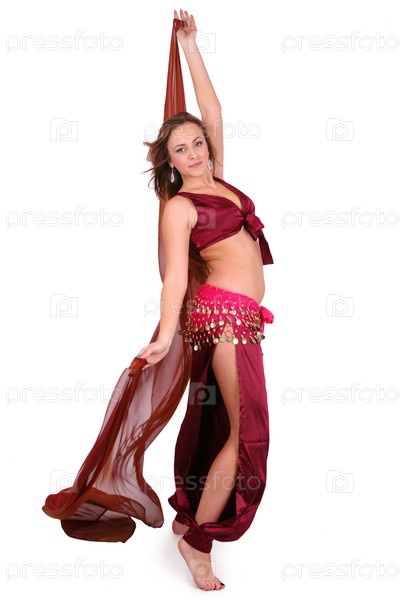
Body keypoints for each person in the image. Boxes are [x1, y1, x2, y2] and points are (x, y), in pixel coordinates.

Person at [136, 9, 275, 591]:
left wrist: (190, 47)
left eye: (197, 143)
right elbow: (175, 280)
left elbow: (213, 112)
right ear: (169, 161)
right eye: (182, 149)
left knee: (224, 426)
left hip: (243, 321)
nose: (195, 152)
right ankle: (197, 544)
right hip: (224, 321)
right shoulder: (181, 206)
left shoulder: (220, 181)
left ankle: (193, 519)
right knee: (245, 435)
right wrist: (164, 337)